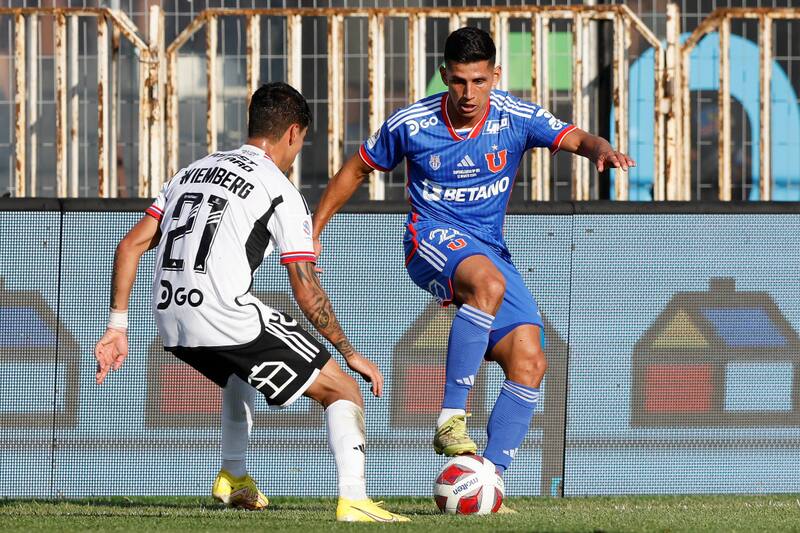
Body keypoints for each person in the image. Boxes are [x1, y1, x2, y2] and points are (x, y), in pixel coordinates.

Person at [312, 28, 635, 479]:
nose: (469, 93)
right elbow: (357, 168)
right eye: (460, 81)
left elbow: (577, 138)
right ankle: (450, 418)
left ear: (496, 75)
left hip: (489, 248)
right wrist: (315, 229)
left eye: (480, 81)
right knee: (488, 283)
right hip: (429, 238)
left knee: (530, 361)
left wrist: (602, 149)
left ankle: (488, 480)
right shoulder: (412, 124)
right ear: (444, 74)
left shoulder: (514, 117)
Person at [94, 82, 408, 523]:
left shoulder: (188, 172)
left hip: (169, 319)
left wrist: (117, 327)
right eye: (301, 142)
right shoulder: (278, 188)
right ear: (294, 133)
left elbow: (128, 247)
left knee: (238, 372)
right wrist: (350, 352)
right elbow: (305, 289)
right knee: (342, 389)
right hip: (222, 312)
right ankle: (355, 500)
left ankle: (234, 475)